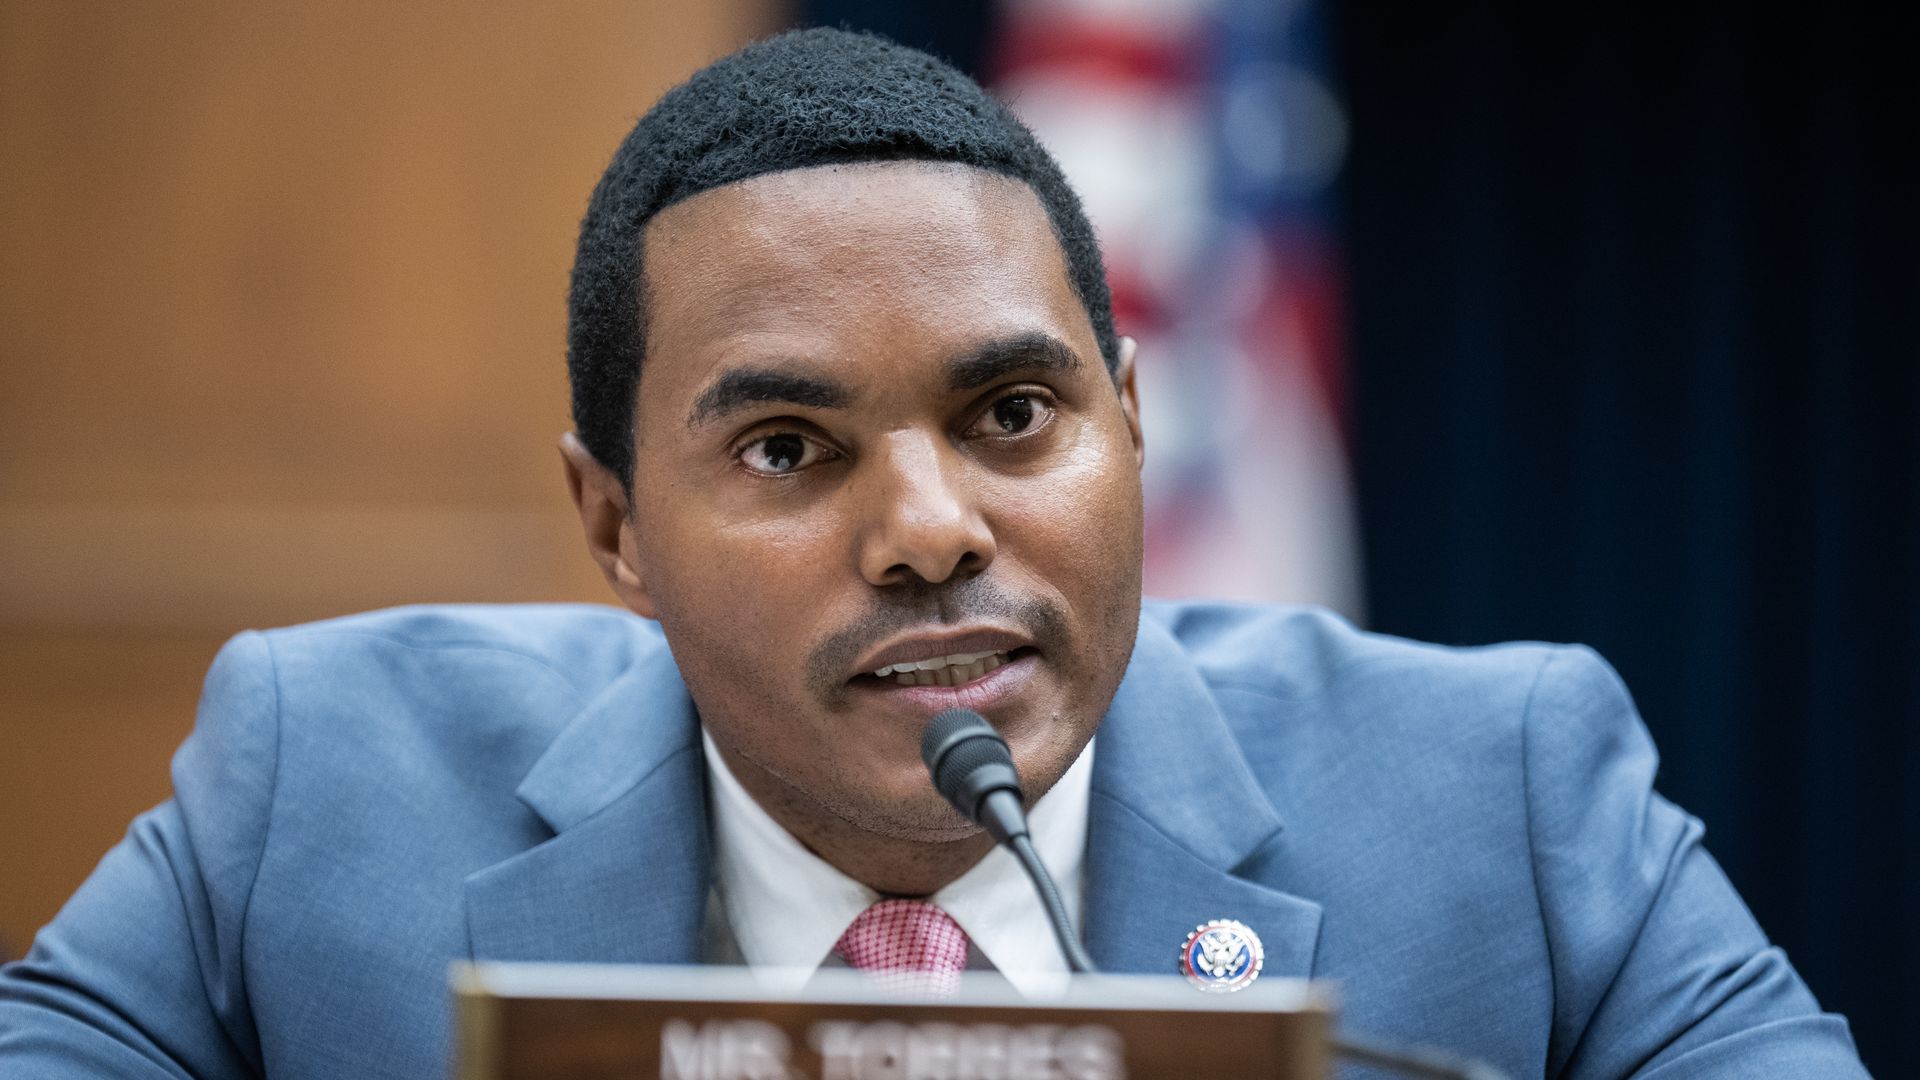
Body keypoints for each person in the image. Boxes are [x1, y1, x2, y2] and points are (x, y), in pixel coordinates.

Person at [0, 28, 1867, 1079]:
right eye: (792, 448)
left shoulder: (1504, 805)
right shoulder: (318, 784)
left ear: (1133, 422)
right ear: (615, 529)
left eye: (1013, 417)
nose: (930, 532)